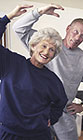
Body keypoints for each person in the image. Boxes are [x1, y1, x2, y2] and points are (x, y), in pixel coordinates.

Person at [13, 3, 83, 140]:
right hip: (37, 112)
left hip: (64, 114)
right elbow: (18, 28)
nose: (78, 38)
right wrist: (39, 12)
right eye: (76, 32)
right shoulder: (46, 45)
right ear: (68, 29)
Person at [0, 5, 68, 140]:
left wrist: (52, 118)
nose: (46, 52)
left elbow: (61, 102)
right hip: (8, 134)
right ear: (33, 45)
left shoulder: (52, 80)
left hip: (38, 135)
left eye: (51, 50)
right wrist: (8, 17)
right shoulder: (11, 63)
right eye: (43, 46)